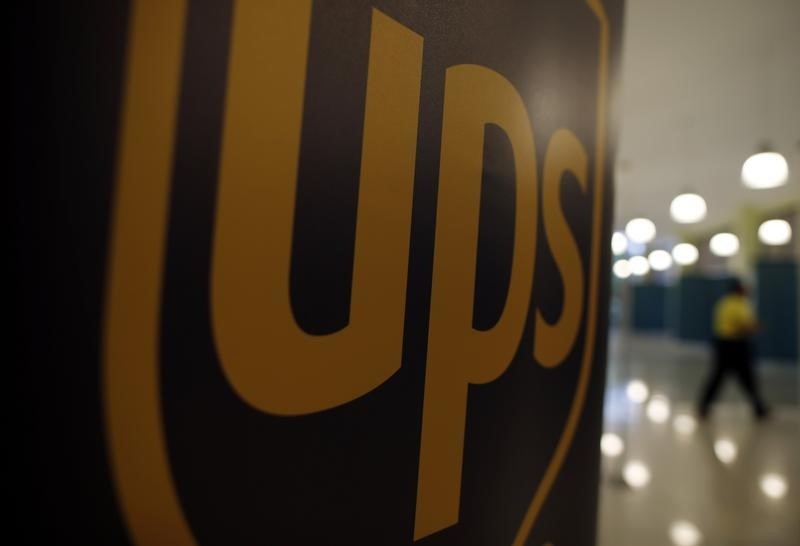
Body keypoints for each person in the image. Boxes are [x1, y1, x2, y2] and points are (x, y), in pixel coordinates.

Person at [699, 278, 769, 419]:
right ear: (739, 290)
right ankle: (759, 408)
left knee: (719, 376)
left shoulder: (724, 303)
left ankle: (704, 406)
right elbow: (744, 325)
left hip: (723, 344)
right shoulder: (737, 304)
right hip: (735, 345)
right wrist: (757, 327)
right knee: (745, 378)